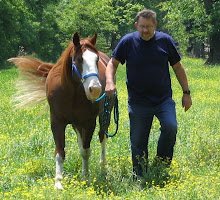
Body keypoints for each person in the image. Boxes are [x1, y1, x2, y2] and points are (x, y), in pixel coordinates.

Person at [105, 9, 192, 178]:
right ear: (136, 25)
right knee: (138, 140)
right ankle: (140, 174)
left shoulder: (165, 41)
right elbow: (112, 63)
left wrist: (186, 92)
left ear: (155, 25)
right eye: (142, 27)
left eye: (149, 27)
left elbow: (178, 67)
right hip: (138, 102)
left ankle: (161, 165)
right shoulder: (127, 42)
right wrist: (110, 81)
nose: (145, 30)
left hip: (163, 100)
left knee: (170, 127)